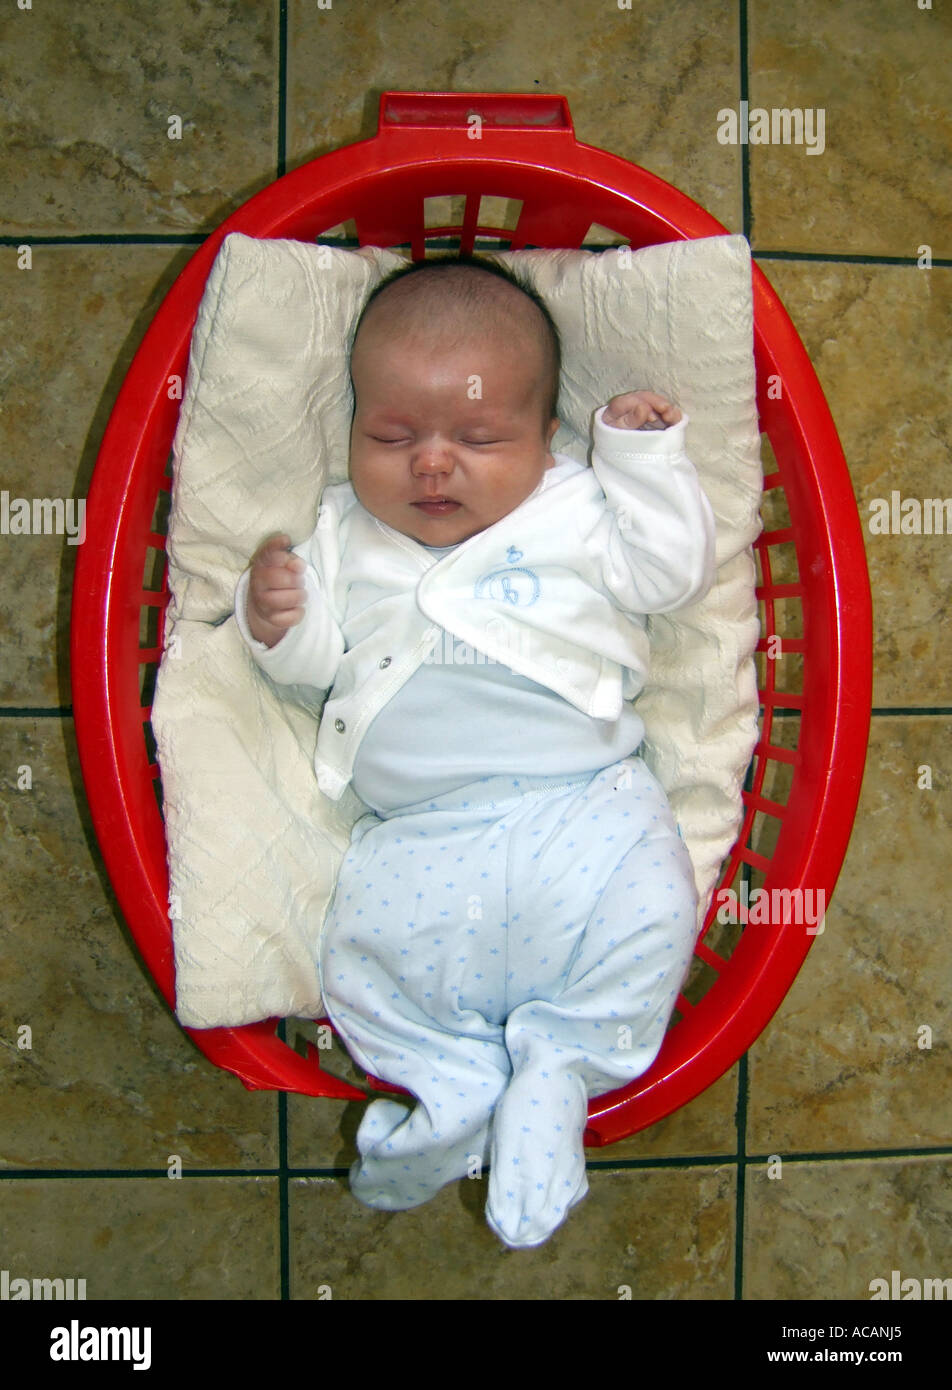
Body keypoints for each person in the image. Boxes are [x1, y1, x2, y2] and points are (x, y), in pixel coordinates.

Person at [234, 257, 716, 1247]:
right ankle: (447, 1079)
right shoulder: (341, 530)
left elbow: (669, 575)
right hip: (418, 831)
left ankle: (560, 1064)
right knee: (363, 964)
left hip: (585, 803)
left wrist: (641, 462)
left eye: (477, 436)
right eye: (392, 436)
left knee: (654, 909)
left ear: (547, 441)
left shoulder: (576, 507)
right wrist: (277, 618)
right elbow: (313, 666)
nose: (430, 465)